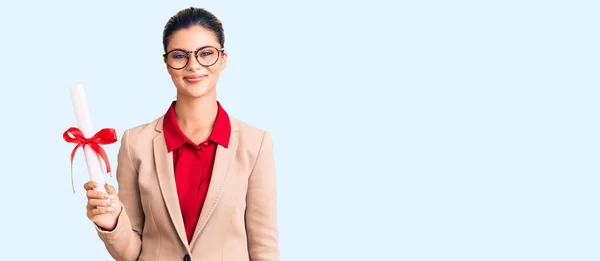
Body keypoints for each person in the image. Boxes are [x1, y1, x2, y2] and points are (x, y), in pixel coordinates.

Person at [83, 7, 279, 261]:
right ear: (166, 62)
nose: (193, 65)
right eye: (179, 56)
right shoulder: (135, 144)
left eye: (206, 53)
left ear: (223, 58)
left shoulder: (256, 144)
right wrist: (112, 222)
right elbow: (130, 253)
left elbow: (264, 247)